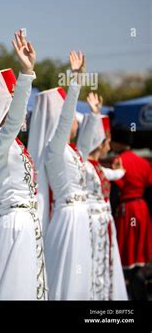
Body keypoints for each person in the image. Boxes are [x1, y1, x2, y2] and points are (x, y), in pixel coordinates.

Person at [0, 31, 48, 300]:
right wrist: (27, 74)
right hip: (14, 226)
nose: (23, 109)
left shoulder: (14, 144)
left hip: (26, 224)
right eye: (15, 98)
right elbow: (13, 122)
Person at [34, 51, 93, 300]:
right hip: (67, 217)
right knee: (66, 279)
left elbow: (89, 144)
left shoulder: (72, 151)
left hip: (79, 216)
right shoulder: (54, 148)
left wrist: (95, 114)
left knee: (81, 280)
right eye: (73, 120)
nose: (76, 124)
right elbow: (67, 115)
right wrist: (76, 79)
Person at [76, 93, 128, 300]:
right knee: (93, 266)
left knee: (104, 266)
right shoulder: (85, 165)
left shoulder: (96, 166)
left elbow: (112, 174)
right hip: (91, 224)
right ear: (99, 141)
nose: (109, 146)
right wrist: (94, 114)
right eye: (107, 141)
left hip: (103, 224)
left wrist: (120, 170)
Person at [110, 127, 152, 300]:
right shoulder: (142, 161)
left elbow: (115, 191)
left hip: (127, 211)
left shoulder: (119, 161)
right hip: (142, 209)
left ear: (119, 142)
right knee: (139, 252)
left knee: (127, 253)